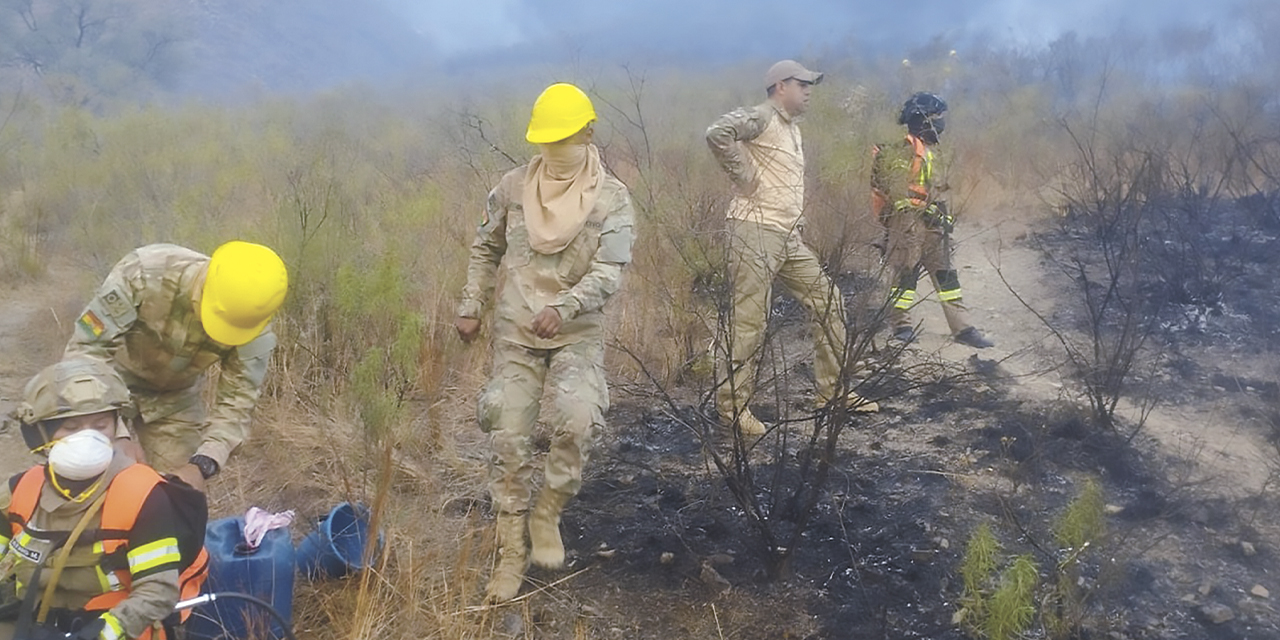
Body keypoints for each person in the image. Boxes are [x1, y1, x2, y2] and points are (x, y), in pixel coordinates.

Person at [454, 82, 635, 602]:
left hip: (575, 332)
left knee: (578, 419)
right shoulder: (512, 188)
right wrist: (471, 305)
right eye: (547, 140)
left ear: (588, 132)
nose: (556, 149)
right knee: (508, 439)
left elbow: (610, 270)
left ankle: (548, 511)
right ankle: (511, 555)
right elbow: (484, 248)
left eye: (566, 137)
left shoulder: (612, 197)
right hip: (515, 331)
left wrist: (566, 306)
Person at [706, 59, 879, 437]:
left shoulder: (790, 128)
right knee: (749, 322)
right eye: (802, 85)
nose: (808, 92)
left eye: (809, 85)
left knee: (829, 301)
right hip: (753, 230)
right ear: (780, 86)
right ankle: (732, 411)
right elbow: (718, 133)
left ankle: (831, 394)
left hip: (785, 236)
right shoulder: (762, 117)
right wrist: (745, 176)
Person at [64, 241, 288, 491]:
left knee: (178, 498)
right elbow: (85, 351)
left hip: (175, 399)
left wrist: (204, 462)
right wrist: (116, 434)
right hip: (108, 387)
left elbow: (237, 403)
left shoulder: (253, 328)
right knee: (87, 478)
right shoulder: (144, 273)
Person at [0, 358, 197, 640]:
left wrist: (101, 633)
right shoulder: (18, 492)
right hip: (34, 621)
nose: (88, 437)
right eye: (71, 427)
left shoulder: (142, 493)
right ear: (38, 433)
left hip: (113, 627)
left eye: (101, 424)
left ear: (117, 426)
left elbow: (158, 590)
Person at [871, 92, 993, 348]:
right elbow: (895, 191)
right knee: (906, 273)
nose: (940, 122)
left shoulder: (931, 153)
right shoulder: (904, 151)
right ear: (923, 120)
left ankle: (963, 328)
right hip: (908, 224)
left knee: (947, 276)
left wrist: (940, 214)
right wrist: (918, 210)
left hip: (933, 224)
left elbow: (937, 188)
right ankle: (901, 325)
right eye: (936, 117)